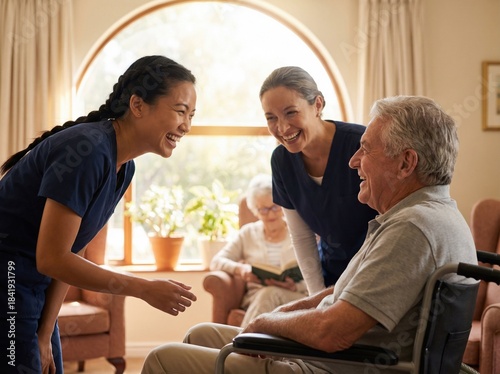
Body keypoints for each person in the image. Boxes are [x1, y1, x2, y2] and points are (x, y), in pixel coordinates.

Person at [141, 95, 478, 374]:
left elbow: (332, 332)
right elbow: (344, 293)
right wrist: (273, 317)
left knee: (163, 359)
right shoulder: (428, 216)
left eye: (367, 150)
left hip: (332, 365)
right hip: (332, 356)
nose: (353, 161)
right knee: (202, 333)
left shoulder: (413, 228)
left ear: (406, 163)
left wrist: (267, 324)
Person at [0, 55, 198, 374]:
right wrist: (143, 288)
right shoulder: (88, 151)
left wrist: (46, 330)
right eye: (180, 111)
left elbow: (71, 250)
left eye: (191, 115)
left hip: (34, 284)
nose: (186, 126)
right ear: (138, 104)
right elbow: (51, 258)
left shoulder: (124, 166)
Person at [260, 66, 377, 293]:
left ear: (318, 105)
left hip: (376, 275)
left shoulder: (361, 144)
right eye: (271, 118)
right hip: (331, 277)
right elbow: (302, 237)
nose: (282, 127)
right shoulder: (282, 162)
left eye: (291, 112)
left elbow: (393, 223)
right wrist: (318, 296)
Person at [210, 174, 307, 327]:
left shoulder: (299, 232)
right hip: (256, 300)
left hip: (294, 297)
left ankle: (241, 346)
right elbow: (217, 261)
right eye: (264, 209)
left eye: (275, 207)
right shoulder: (247, 233)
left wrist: (295, 286)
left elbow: (317, 272)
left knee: (269, 293)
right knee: (266, 294)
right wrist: (241, 269)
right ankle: (247, 346)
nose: (271, 214)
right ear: (255, 210)